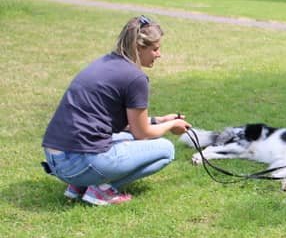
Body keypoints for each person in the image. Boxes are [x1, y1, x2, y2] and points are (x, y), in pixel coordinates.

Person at [42, 15, 192, 205]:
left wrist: (159, 121)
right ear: (138, 48)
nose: (159, 54)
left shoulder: (105, 62)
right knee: (166, 150)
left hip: (56, 160)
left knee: (128, 139)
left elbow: (115, 122)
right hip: (77, 163)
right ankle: (99, 191)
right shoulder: (135, 78)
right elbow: (142, 133)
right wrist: (173, 124)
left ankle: (80, 185)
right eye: (155, 49)